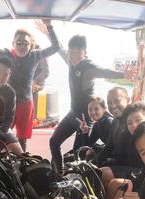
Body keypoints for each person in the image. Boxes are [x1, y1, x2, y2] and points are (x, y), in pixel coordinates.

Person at [44, 33, 126, 173]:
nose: (74, 56)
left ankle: (76, 178)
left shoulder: (88, 67)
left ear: (85, 53)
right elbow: (59, 48)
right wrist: (49, 30)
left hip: (87, 117)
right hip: (73, 114)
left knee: (79, 152)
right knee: (54, 141)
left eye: (78, 53)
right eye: (71, 52)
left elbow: (104, 72)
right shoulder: (70, 59)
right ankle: (59, 173)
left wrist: (124, 75)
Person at [0, 19, 59, 151]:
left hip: (25, 104)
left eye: (25, 43)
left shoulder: (35, 55)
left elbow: (56, 47)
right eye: (19, 43)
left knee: (22, 139)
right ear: (13, 43)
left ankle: (22, 163)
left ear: (31, 45)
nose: (22, 46)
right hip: (6, 103)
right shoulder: (5, 54)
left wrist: (49, 26)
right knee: (1, 134)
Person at [106, 102, 145, 199]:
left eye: (138, 120)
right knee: (113, 184)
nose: (133, 125)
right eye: (129, 123)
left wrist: (126, 187)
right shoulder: (133, 139)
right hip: (139, 175)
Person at [97, 87, 132, 188]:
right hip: (121, 163)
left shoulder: (133, 123)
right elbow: (108, 147)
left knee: (104, 172)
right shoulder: (115, 121)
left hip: (136, 169)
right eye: (109, 102)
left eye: (117, 100)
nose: (112, 105)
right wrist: (92, 162)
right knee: (94, 167)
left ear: (128, 100)